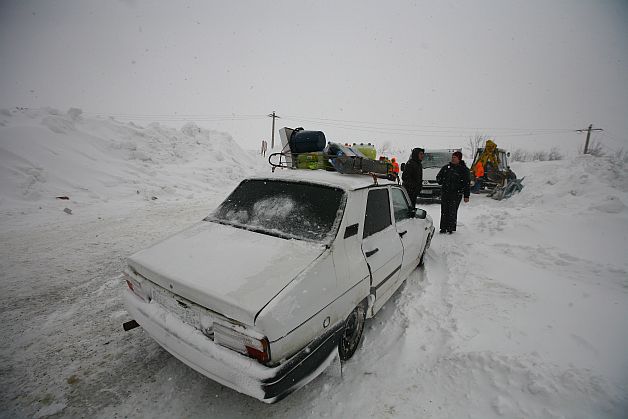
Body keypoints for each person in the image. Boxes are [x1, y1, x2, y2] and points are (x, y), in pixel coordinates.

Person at [436, 151, 470, 233]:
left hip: (456, 194)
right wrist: (441, 180)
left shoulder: (463, 170)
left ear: (459, 159)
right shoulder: (446, 168)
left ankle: (451, 228)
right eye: (452, 157)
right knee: (444, 211)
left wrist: (466, 195)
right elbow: (438, 177)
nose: (453, 159)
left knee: (452, 211)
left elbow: (466, 183)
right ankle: (443, 228)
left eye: (455, 157)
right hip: (445, 193)